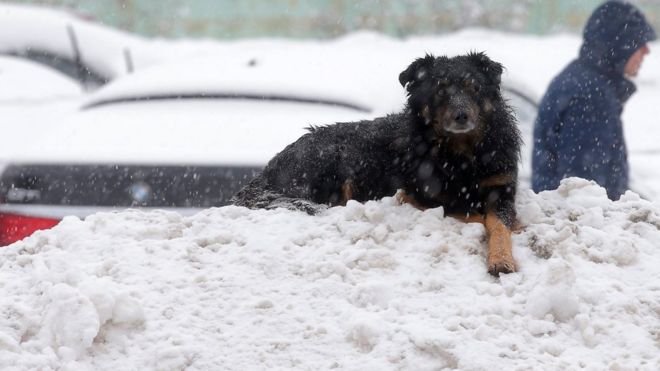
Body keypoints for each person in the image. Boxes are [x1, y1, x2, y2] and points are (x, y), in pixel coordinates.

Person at [531, 0, 656, 199]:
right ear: (618, 44)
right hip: (588, 227)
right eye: (639, 42)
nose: (647, 51)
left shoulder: (583, 80)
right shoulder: (591, 97)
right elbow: (585, 194)